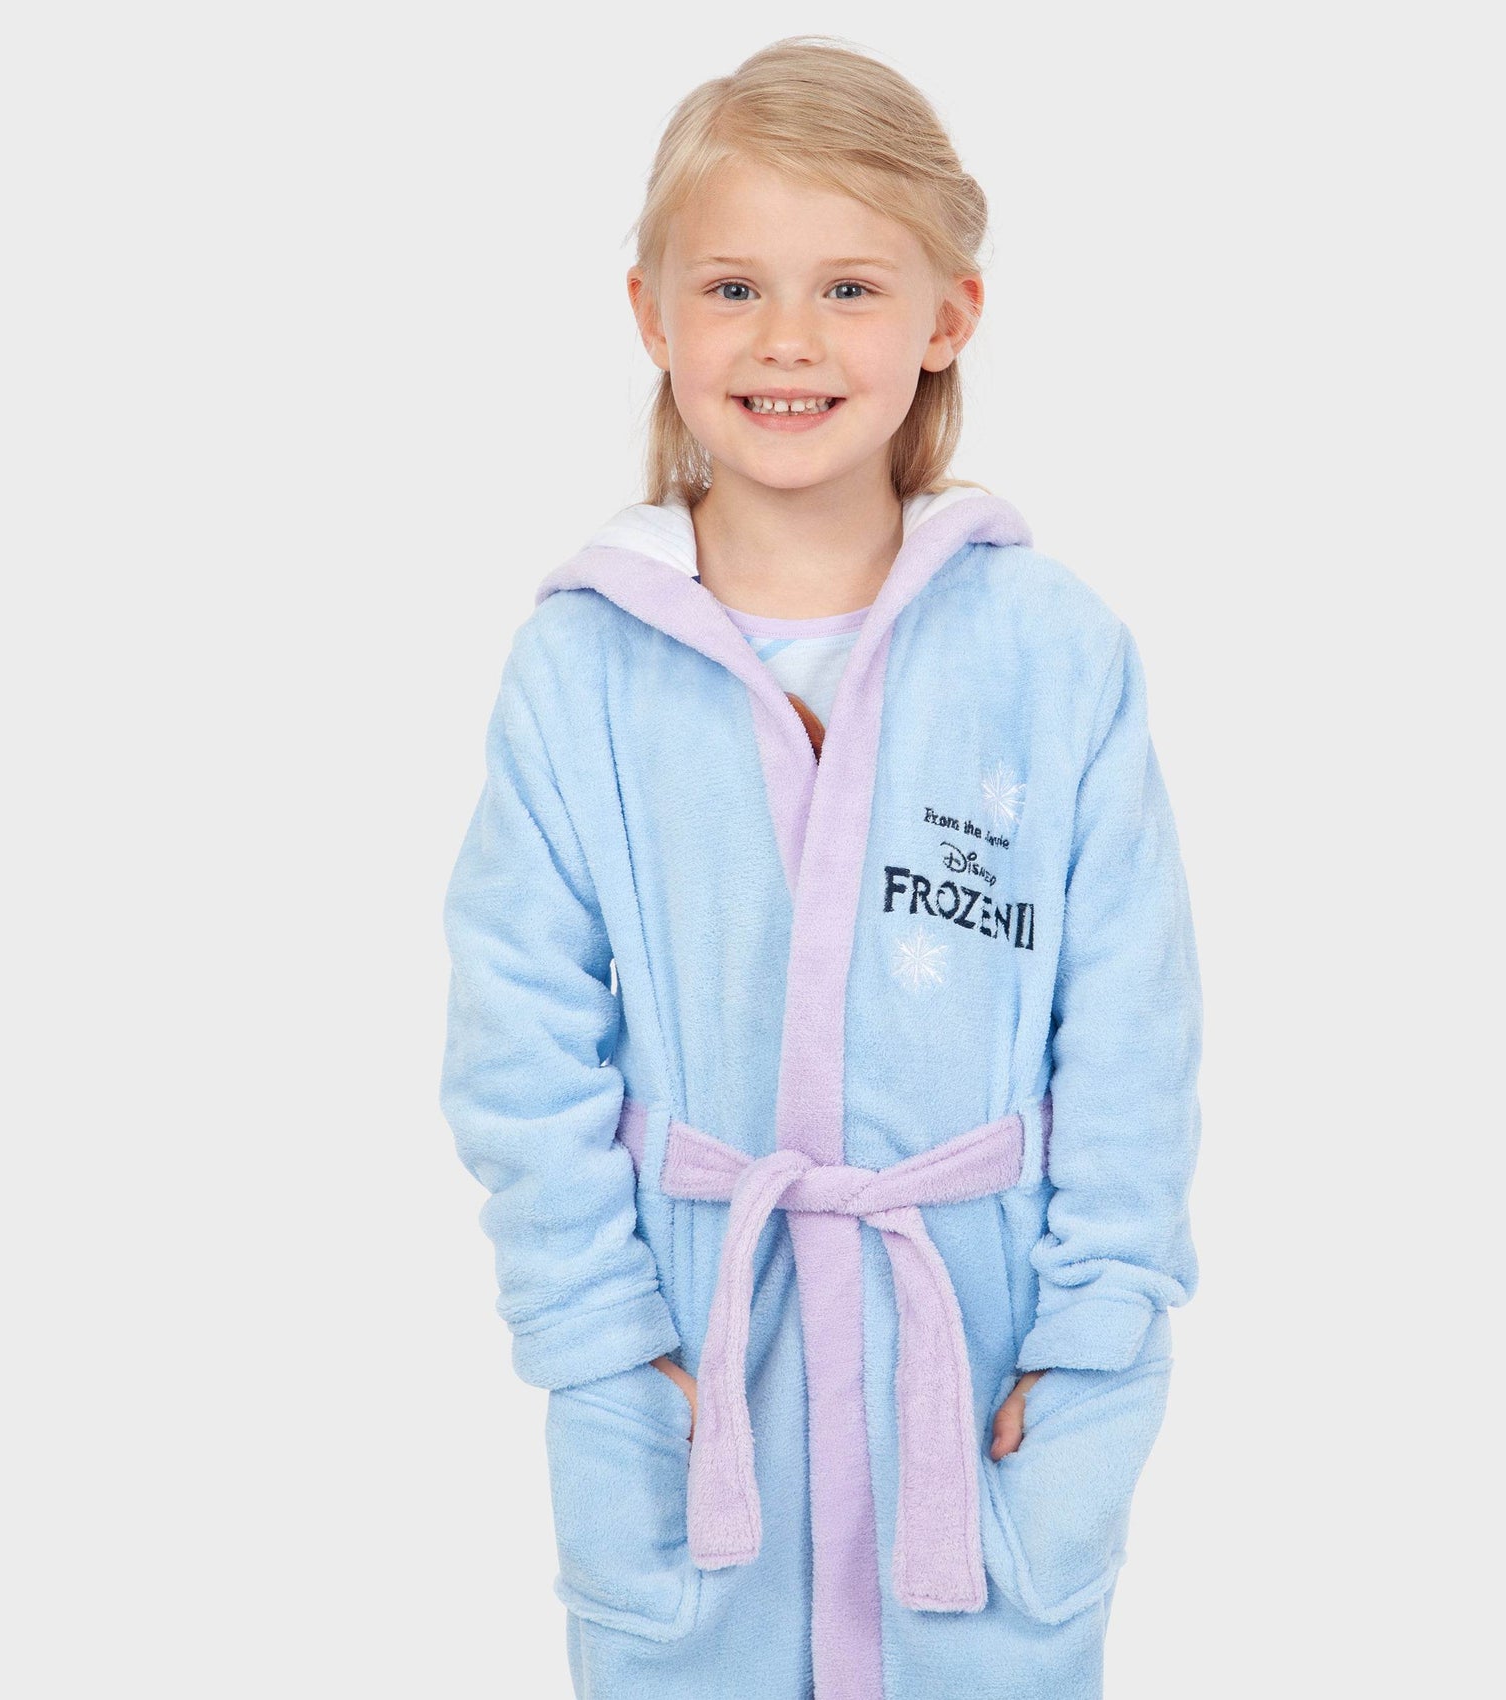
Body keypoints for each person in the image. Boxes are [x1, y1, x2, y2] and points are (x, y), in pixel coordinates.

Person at [439, 35, 1203, 1700]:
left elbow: (1131, 1030)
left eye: (850, 287)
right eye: (733, 287)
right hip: (690, 1355)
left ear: (949, 316)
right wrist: (598, 1340)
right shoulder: (584, 666)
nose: (787, 339)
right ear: (651, 315)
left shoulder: (1050, 651)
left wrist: (1094, 1340)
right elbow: (516, 1033)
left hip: (984, 1355)